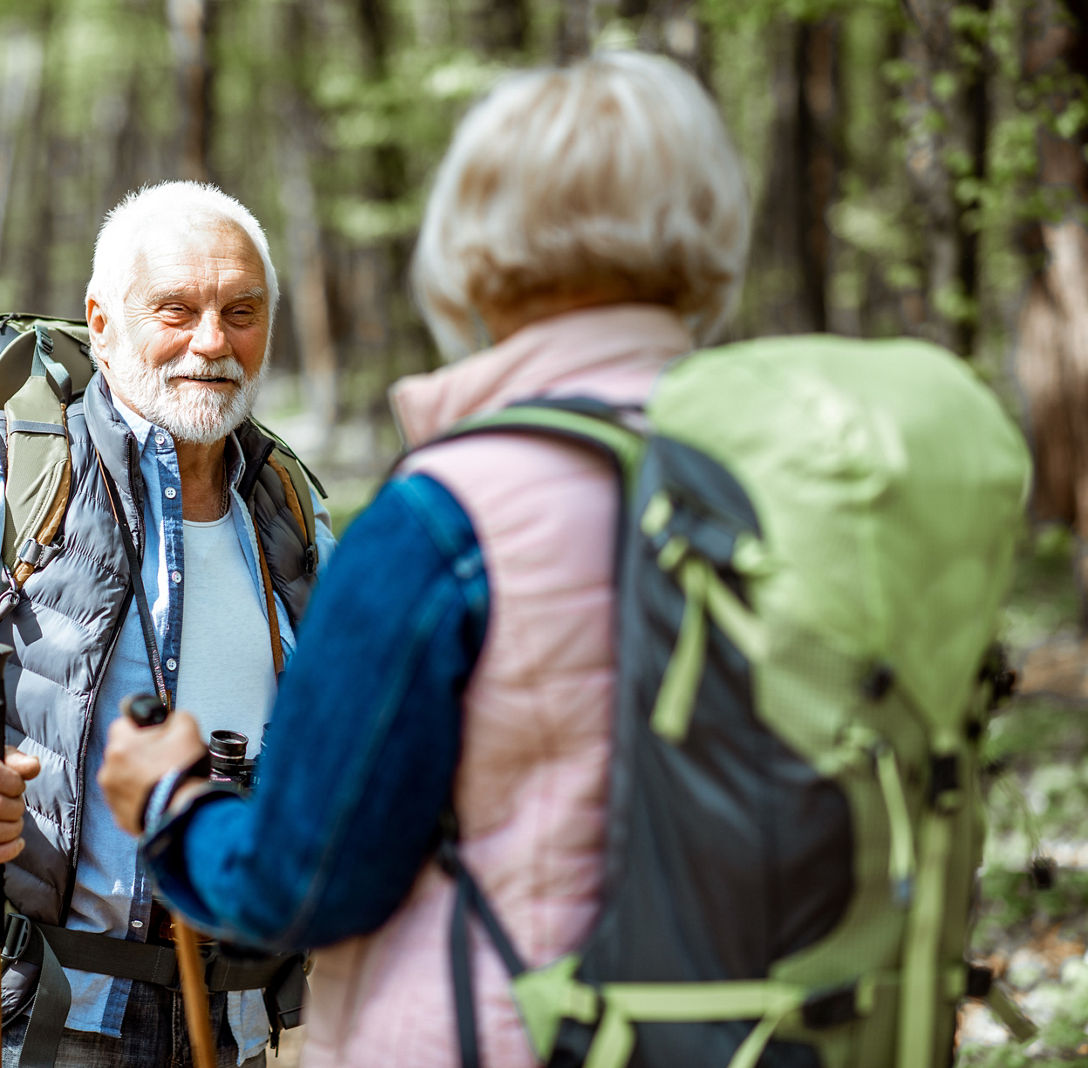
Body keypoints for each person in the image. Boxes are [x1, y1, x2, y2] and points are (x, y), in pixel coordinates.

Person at [98, 52, 752, 1068]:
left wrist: (174, 799)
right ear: (712, 231)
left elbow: (301, 882)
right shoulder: (766, 474)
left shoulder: (447, 516)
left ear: (473, 247)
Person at [0, 179, 336, 1068]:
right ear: (102, 324)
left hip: (237, 1021)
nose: (213, 342)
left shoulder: (290, 504)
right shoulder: (4, 470)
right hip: (46, 1012)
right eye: (176, 310)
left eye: (242, 311)